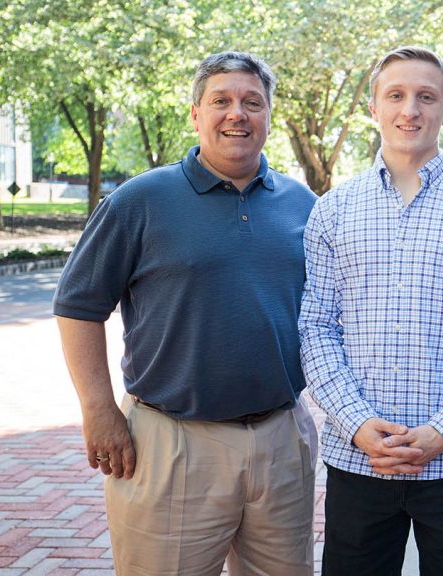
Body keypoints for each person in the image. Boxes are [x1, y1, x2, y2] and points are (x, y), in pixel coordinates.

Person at [53, 51, 318, 576]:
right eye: (221, 101)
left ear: (268, 115)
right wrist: (98, 410)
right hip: (172, 445)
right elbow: (78, 306)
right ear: (196, 114)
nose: (237, 114)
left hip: (282, 441)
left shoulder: (303, 204)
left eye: (252, 102)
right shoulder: (140, 200)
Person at [299, 46, 443, 576]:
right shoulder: (332, 210)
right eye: (395, 95)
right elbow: (317, 328)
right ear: (373, 108)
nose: (410, 110)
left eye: (426, 96)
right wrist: (355, 422)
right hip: (357, 460)